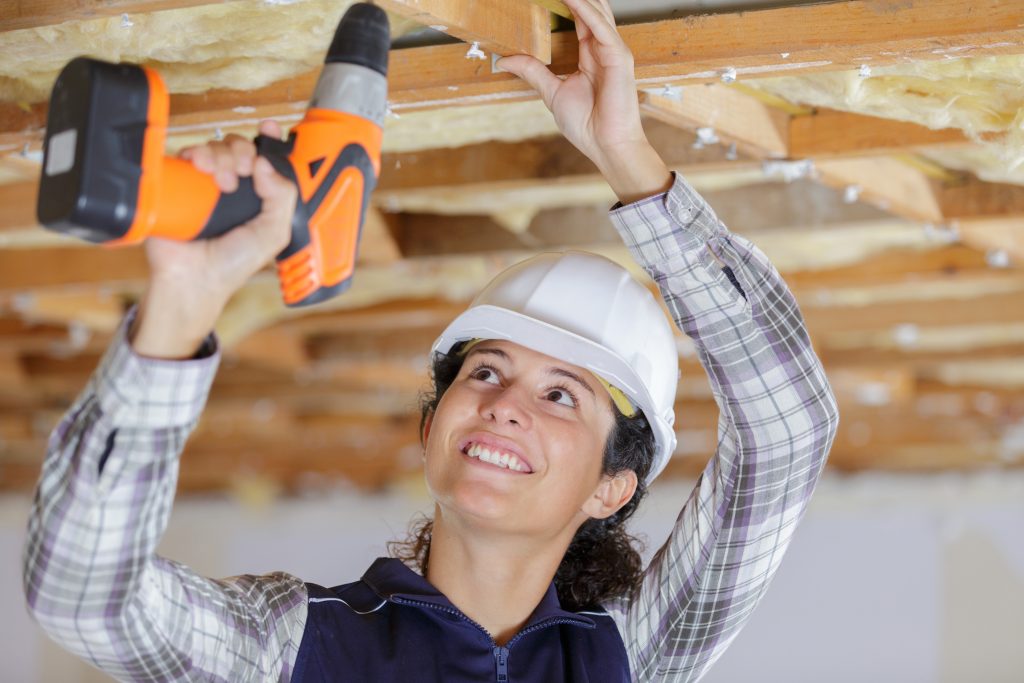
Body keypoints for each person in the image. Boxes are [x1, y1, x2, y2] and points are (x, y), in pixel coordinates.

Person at [22, 0, 839, 680]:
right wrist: (181, 303)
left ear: (611, 489)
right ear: (430, 428)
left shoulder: (629, 655)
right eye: (486, 371)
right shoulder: (294, 646)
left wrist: (627, 156)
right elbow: (80, 595)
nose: (504, 407)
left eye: (562, 393)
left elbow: (788, 426)